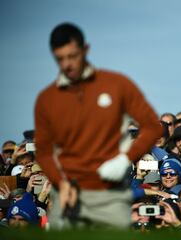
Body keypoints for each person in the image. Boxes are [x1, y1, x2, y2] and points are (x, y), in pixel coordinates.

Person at [34, 23, 162, 229]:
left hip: (110, 195)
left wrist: (125, 159)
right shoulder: (46, 99)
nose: (67, 64)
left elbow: (153, 127)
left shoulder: (117, 84)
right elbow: (43, 151)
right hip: (68, 195)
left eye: (72, 56)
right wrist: (61, 182)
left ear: (85, 50)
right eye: (60, 59)